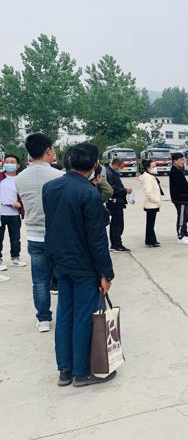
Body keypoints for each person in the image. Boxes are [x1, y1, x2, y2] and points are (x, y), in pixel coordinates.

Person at [43, 142, 116, 387]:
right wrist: (105, 272)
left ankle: (65, 370)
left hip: (60, 262)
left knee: (65, 313)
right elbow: (97, 238)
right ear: (95, 165)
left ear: (69, 161)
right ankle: (82, 372)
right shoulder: (89, 193)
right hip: (84, 264)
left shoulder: (50, 188)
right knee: (84, 316)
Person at [15, 133, 64, 333]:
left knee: (40, 281)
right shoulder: (59, 176)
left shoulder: (19, 178)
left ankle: (43, 319)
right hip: (57, 235)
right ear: (48, 150)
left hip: (34, 235)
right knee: (63, 278)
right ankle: (65, 315)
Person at [0, 155, 26, 277]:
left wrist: (20, 203)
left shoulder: (21, 180)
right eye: (7, 162)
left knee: (15, 238)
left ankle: (15, 258)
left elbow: (26, 195)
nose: (9, 164)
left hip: (14, 213)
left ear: (18, 165)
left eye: (12, 162)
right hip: (1, 213)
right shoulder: (0, 177)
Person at [105, 158, 132, 252]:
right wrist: (124, 190)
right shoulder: (109, 174)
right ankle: (117, 245)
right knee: (117, 225)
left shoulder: (112, 173)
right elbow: (112, 189)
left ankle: (115, 244)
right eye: (121, 167)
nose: (121, 169)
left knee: (116, 225)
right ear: (116, 165)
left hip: (117, 202)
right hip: (114, 203)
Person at [169, 152, 188, 245]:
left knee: (185, 217)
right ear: (175, 161)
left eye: (183, 160)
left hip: (184, 198)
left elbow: (185, 183)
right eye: (181, 160)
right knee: (181, 218)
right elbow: (181, 186)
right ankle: (180, 236)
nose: (183, 162)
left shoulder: (179, 170)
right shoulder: (174, 172)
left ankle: (185, 233)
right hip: (180, 199)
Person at [139, 160, 162, 247]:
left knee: (150, 223)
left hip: (152, 204)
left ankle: (150, 240)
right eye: (153, 166)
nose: (155, 168)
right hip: (151, 204)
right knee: (150, 224)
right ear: (148, 168)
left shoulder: (150, 176)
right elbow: (148, 192)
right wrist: (156, 200)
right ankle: (151, 241)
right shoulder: (148, 178)